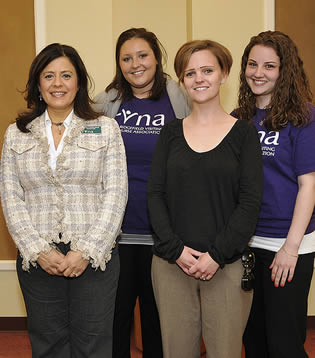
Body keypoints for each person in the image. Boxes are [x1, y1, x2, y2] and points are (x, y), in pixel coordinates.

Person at [0, 43, 128, 358]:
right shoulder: (17, 134)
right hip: (38, 259)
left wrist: (86, 251)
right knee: (48, 344)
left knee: (93, 345)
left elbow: (116, 193)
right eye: (49, 76)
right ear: (37, 84)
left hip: (94, 256)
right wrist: (38, 250)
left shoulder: (105, 129)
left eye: (66, 75)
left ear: (79, 82)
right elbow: (10, 197)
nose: (58, 84)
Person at [147, 39, 263, 358]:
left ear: (224, 74)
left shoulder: (244, 134)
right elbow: (155, 194)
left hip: (225, 264)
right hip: (172, 264)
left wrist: (217, 254)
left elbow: (250, 202)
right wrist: (175, 250)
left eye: (208, 70)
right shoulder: (170, 133)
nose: (199, 79)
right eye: (190, 73)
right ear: (182, 81)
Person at [93, 27, 190, 358]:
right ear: (119, 64)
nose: (135, 64)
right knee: (115, 320)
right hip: (116, 236)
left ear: (156, 56)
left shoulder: (180, 98)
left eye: (142, 55)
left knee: (158, 322)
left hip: (164, 236)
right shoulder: (107, 103)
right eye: (126, 58)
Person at [233, 30, 315, 358]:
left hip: (288, 245)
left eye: (269, 66)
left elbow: (309, 185)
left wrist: (290, 249)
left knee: (284, 344)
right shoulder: (240, 119)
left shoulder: (304, 118)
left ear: (285, 71)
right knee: (253, 341)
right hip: (248, 246)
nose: (258, 73)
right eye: (252, 64)